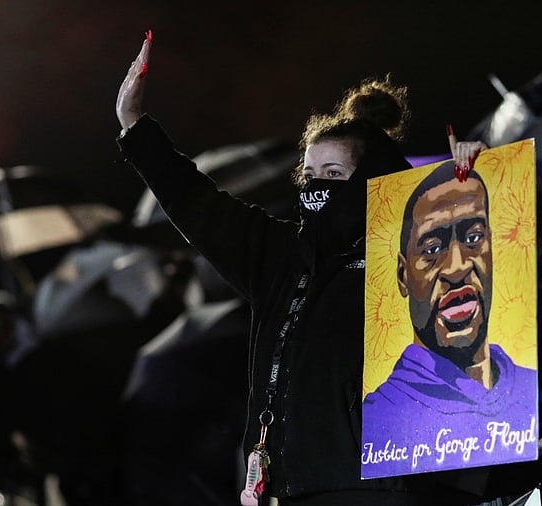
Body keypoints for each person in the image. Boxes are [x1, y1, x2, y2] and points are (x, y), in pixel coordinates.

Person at [115, 31, 494, 506]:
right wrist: (134, 126)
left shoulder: (419, 248)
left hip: (384, 489)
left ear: (373, 178)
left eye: (335, 176)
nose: (318, 189)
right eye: (310, 176)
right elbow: (199, 204)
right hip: (287, 491)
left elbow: (495, 271)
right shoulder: (279, 255)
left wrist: (475, 184)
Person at [361, 161, 538, 478]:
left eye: (473, 238)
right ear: (403, 275)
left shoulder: (534, 390)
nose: (457, 268)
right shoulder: (379, 419)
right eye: (432, 248)